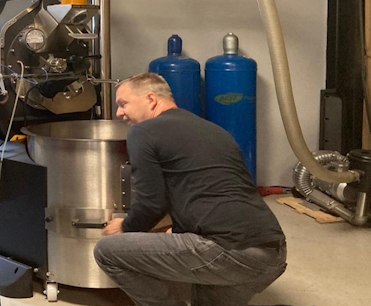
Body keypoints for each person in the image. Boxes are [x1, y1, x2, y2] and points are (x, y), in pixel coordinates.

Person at [93, 73, 286, 306]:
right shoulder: (214, 130)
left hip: (229, 252)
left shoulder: (144, 131)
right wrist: (177, 230)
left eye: (123, 104)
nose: (119, 113)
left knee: (107, 251)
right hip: (272, 253)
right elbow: (209, 193)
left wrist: (125, 226)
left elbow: (151, 204)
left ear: (151, 99)